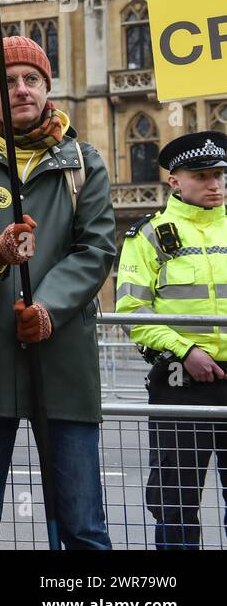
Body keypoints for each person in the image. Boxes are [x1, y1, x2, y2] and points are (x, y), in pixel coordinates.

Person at [0, 36, 116, 550]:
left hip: (61, 365)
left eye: (30, 79)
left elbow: (96, 249)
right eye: (7, 82)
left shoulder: (84, 161)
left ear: (46, 86)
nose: (21, 89)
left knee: (83, 525)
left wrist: (47, 309)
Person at [117, 131, 227, 549]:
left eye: (219, 174)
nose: (215, 184)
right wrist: (186, 350)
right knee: (175, 505)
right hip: (180, 382)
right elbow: (132, 313)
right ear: (175, 181)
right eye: (202, 175)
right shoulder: (149, 236)